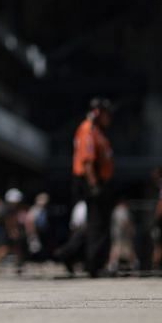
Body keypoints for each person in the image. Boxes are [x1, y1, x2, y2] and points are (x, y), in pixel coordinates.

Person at [71, 98, 115, 275]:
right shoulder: (88, 130)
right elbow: (88, 161)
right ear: (98, 113)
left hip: (98, 181)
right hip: (92, 182)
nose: (109, 118)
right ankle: (93, 264)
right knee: (97, 225)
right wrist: (94, 185)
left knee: (98, 224)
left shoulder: (97, 131)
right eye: (107, 114)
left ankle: (69, 254)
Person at [106, 201, 139, 274]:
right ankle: (134, 265)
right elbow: (124, 222)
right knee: (121, 250)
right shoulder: (121, 210)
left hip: (117, 234)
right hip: (121, 235)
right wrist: (130, 230)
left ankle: (112, 266)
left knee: (118, 250)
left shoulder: (115, 210)